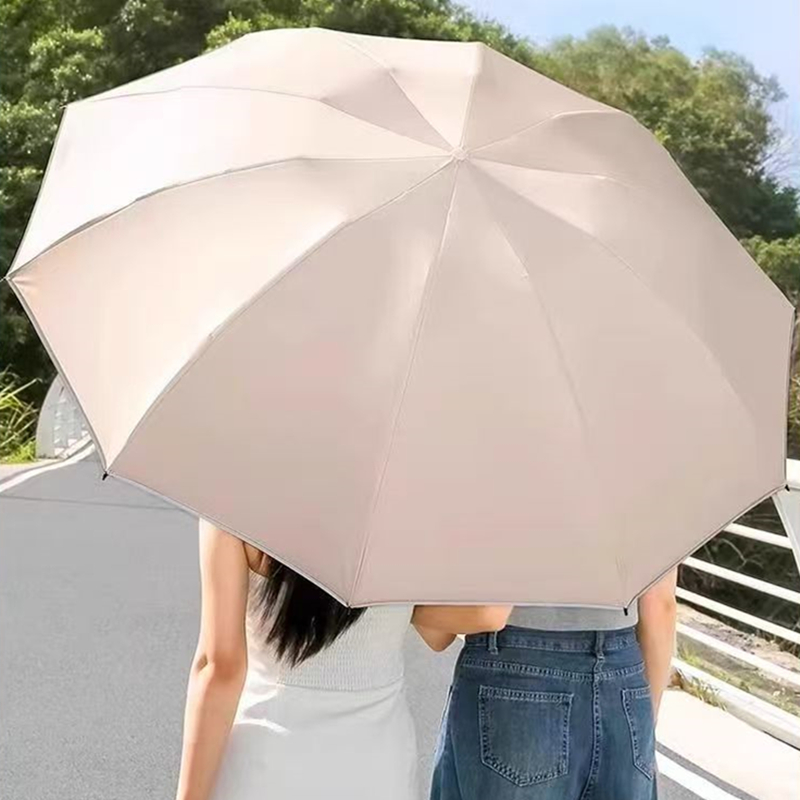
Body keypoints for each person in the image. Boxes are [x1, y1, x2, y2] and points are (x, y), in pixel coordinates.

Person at [174, 520, 510, 800]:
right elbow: (466, 624)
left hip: (263, 762)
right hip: (376, 768)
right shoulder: (403, 512)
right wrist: (387, 606)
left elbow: (219, 670)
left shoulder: (235, 500)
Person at [428, 569, 678, 800]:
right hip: (623, 678)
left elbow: (438, 635)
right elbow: (659, 605)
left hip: (512, 671)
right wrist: (645, 729)